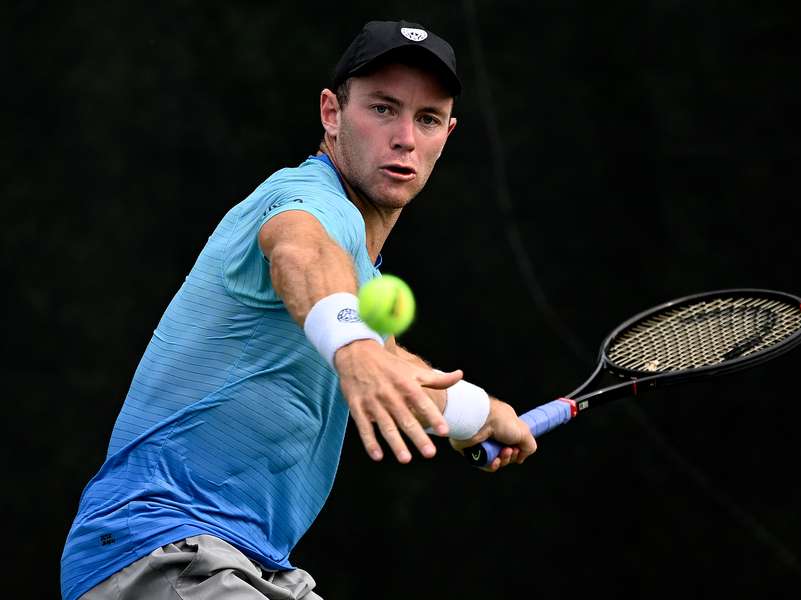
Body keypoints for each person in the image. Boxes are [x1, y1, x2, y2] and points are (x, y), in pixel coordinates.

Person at [60, 19, 538, 600]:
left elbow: (397, 373)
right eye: (383, 109)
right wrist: (353, 345)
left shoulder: (359, 272)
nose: (405, 137)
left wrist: (481, 415)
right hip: (161, 547)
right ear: (331, 113)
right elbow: (298, 250)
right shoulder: (307, 200)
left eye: (427, 119)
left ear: (447, 133)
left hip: (250, 563)